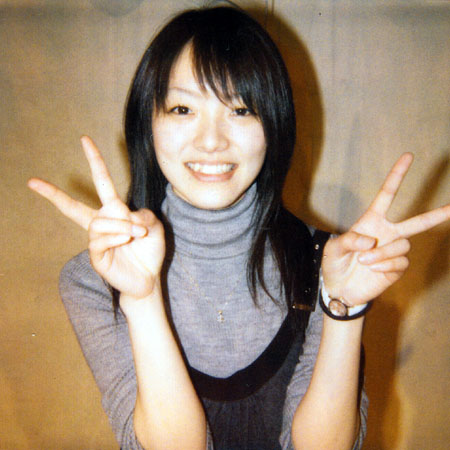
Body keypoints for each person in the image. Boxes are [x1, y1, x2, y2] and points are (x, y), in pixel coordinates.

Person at [27, 6, 449, 450]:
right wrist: (143, 299)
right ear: (148, 123)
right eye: (183, 108)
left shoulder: (328, 263)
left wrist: (342, 307)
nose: (212, 141)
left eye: (241, 109)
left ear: (274, 124)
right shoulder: (93, 278)